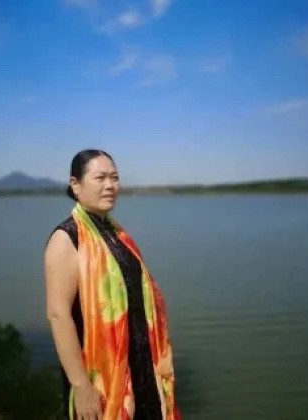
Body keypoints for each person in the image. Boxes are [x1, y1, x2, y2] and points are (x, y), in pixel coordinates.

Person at [44, 149, 181, 419]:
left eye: (115, 178)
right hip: (100, 379)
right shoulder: (67, 239)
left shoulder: (116, 233)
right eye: (100, 178)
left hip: (140, 369)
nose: (110, 185)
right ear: (75, 185)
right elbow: (59, 315)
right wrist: (81, 386)